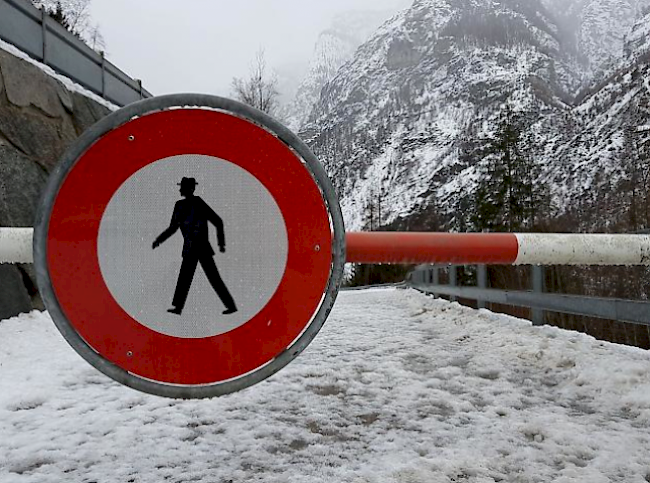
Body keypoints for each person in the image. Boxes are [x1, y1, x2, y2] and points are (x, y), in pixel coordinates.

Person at [152, 177, 237, 316]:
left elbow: (218, 221)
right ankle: (178, 308)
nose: (180, 190)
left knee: (213, 278)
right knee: (185, 278)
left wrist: (221, 243)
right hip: (190, 248)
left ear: (190, 189)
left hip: (202, 247)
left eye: (183, 187)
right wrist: (159, 240)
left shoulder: (198, 202)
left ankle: (231, 306)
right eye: (181, 187)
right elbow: (173, 228)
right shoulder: (178, 205)